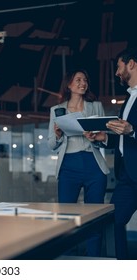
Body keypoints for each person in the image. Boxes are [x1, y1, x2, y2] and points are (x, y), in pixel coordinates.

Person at [47, 69, 110, 257]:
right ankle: (67, 260)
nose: (83, 83)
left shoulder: (96, 107)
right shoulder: (56, 110)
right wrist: (58, 135)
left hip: (93, 165)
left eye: (85, 80)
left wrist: (96, 137)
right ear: (69, 84)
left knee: (95, 218)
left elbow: (104, 137)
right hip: (68, 165)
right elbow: (51, 145)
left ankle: (94, 259)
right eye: (78, 79)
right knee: (65, 219)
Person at [88, 47, 137, 259]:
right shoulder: (129, 99)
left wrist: (133, 130)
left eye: (119, 66)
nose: (117, 72)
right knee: (113, 221)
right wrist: (104, 138)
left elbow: (130, 132)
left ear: (131, 64)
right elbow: (124, 137)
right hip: (128, 176)